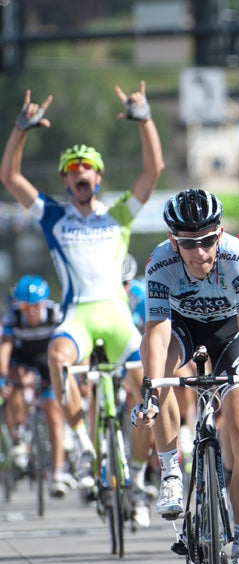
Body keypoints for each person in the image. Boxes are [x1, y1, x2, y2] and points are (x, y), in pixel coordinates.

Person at [0, 84, 163, 510]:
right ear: (65, 180)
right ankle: (80, 444)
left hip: (115, 313)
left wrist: (144, 118)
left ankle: (142, 470)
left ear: (99, 176)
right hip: (77, 315)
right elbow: (10, 179)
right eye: (72, 169)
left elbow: (154, 169)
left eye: (86, 167)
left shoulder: (120, 212)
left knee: (147, 392)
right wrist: (20, 130)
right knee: (57, 358)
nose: (79, 173)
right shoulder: (53, 215)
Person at [131, 189, 239, 564]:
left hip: (228, 335)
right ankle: (169, 471)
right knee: (156, 364)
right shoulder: (160, 262)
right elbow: (159, 331)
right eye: (187, 242)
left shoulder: (237, 257)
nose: (199, 251)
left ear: (220, 234)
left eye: (207, 240)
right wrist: (151, 387)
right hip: (182, 329)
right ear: (172, 240)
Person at [0, 275, 66, 492]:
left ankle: (57, 473)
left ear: (44, 303)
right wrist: (3, 377)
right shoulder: (13, 316)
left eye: (35, 307)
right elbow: (6, 348)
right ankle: (18, 435)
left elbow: (66, 344)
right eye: (26, 307)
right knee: (13, 384)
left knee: (54, 412)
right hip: (22, 358)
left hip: (47, 356)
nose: (31, 312)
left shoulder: (55, 313)